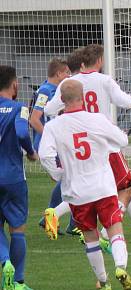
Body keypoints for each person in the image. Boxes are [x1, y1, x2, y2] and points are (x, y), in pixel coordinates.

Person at [43, 44, 131, 242]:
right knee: (126, 188)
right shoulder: (104, 80)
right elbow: (124, 101)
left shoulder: (69, 83)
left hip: (81, 143)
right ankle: (99, 232)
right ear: (100, 61)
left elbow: (49, 110)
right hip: (105, 142)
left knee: (108, 188)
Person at [39, 79, 131, 290]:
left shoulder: (54, 126)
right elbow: (122, 140)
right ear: (82, 97)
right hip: (103, 187)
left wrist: (58, 173)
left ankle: (103, 282)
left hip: (77, 192)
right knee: (115, 230)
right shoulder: (97, 119)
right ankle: (121, 268)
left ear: (62, 100)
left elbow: (45, 154)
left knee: (90, 237)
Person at [0, 65, 38, 290]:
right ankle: (19, 281)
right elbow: (23, 133)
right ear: (14, 85)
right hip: (13, 177)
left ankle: (5, 262)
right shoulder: (19, 108)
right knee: (18, 229)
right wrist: (31, 152)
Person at [29, 58, 76, 235]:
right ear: (58, 74)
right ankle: (65, 221)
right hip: (49, 146)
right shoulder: (45, 91)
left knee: (68, 179)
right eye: (66, 73)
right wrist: (51, 138)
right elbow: (34, 119)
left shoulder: (55, 90)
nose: (69, 76)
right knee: (73, 179)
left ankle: (55, 218)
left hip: (56, 144)